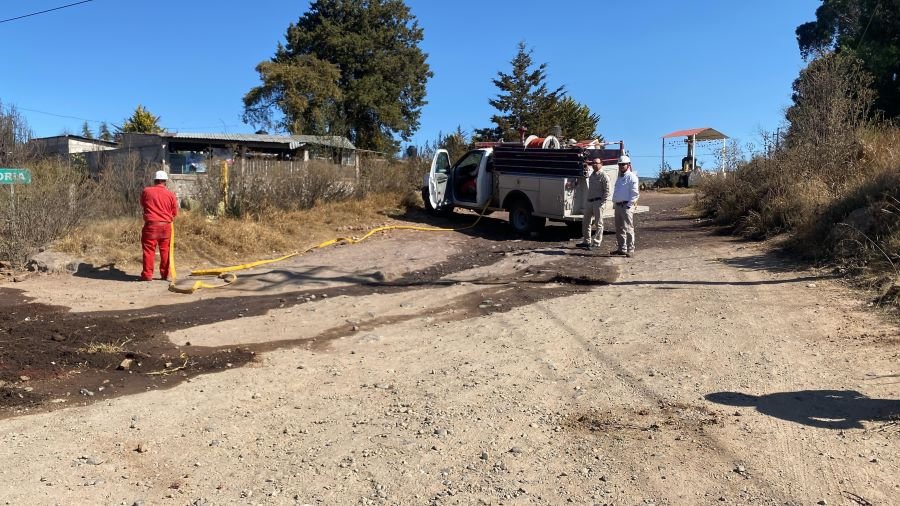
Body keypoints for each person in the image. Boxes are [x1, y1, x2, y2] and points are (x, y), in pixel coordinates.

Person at [139, 170, 178, 281]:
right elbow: (174, 212)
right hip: (166, 226)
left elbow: (143, 204)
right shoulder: (170, 194)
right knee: (165, 250)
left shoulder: (146, 191)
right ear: (165, 181)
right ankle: (165, 274)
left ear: (155, 180)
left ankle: (147, 275)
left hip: (151, 225)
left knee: (148, 250)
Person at [577, 157, 610, 250]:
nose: (594, 164)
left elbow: (607, 191)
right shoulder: (592, 175)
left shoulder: (603, 176)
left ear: (601, 164)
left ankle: (596, 243)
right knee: (586, 222)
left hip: (598, 202)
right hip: (590, 202)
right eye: (593, 163)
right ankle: (586, 241)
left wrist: (602, 202)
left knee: (599, 223)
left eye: (596, 163)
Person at [610, 154, 640, 257]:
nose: (621, 166)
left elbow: (635, 193)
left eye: (623, 164)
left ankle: (630, 249)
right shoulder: (619, 177)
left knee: (628, 228)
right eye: (620, 164)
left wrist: (629, 205)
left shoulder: (631, 177)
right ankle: (621, 248)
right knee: (619, 228)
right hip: (618, 206)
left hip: (626, 206)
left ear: (628, 165)